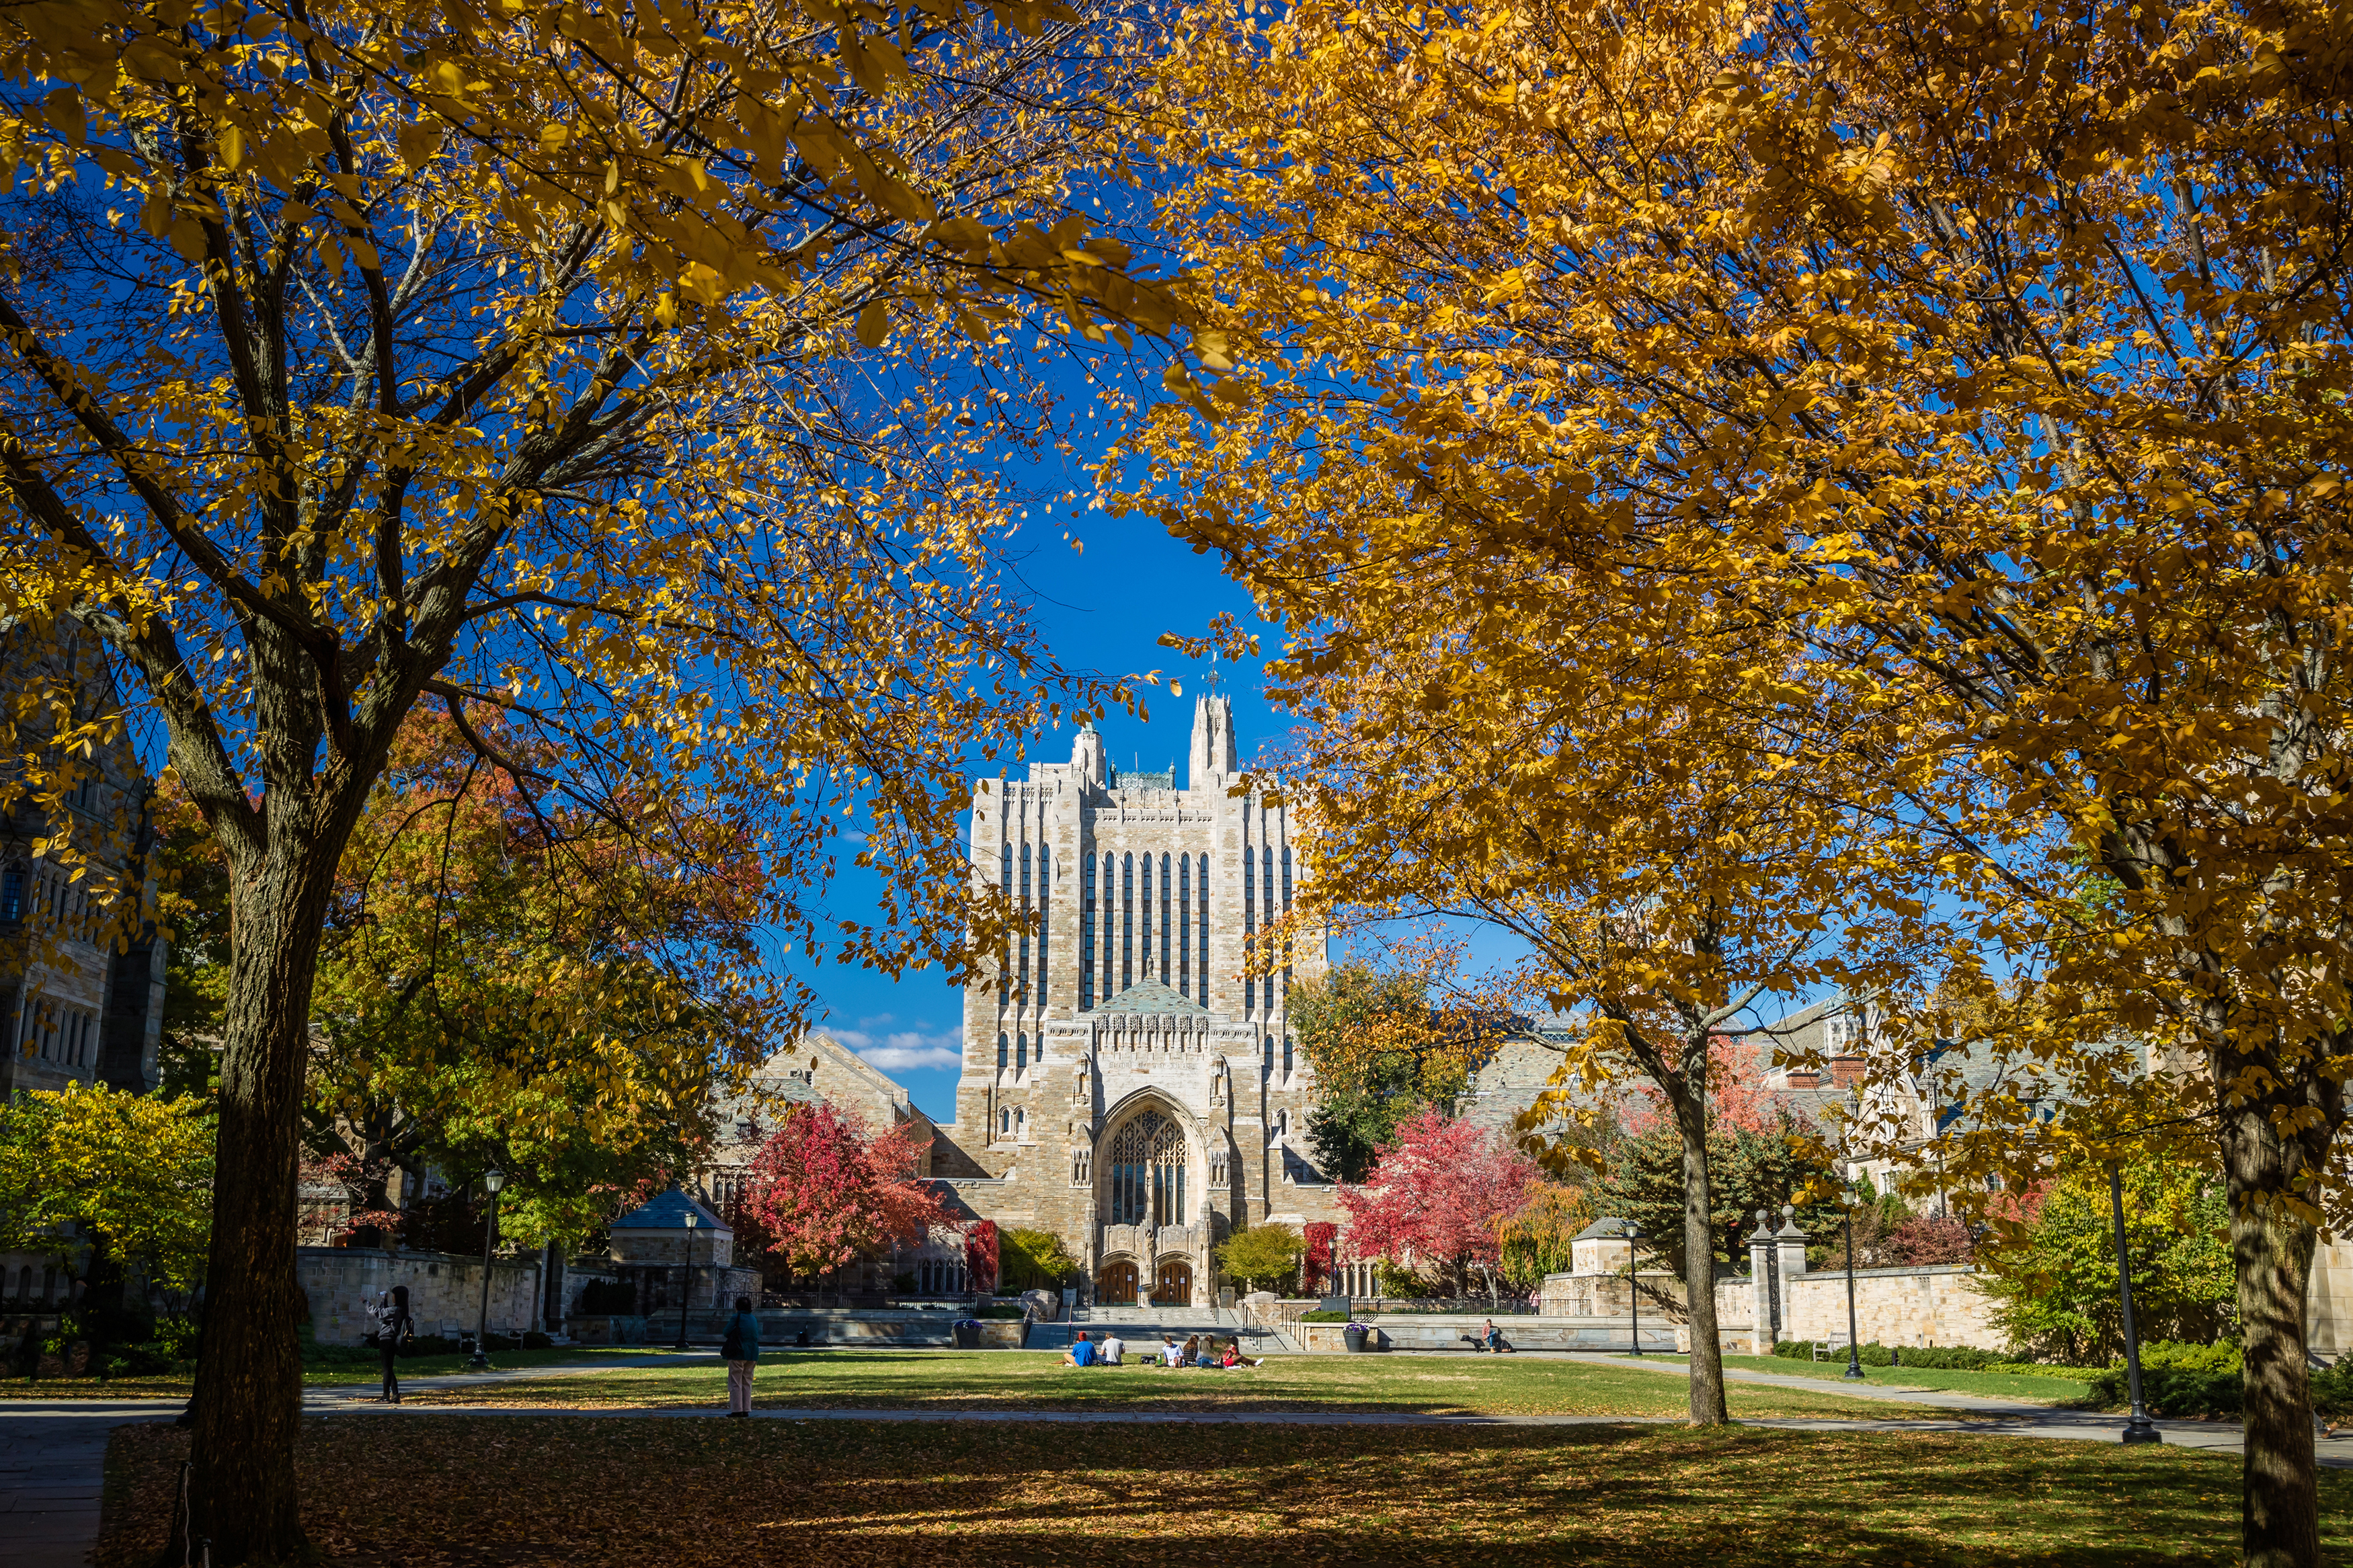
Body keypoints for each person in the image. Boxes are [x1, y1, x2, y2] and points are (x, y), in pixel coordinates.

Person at [369, 1286, 412, 1404]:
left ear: (398, 1297)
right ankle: (395, 1394)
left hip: (387, 1340)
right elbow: (385, 1316)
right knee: (388, 1368)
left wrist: (364, 1302)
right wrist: (385, 1301)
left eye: (394, 1295)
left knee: (387, 1369)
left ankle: (386, 1396)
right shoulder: (401, 1310)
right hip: (392, 1341)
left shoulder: (396, 1310)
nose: (393, 1297)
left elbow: (379, 1313)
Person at [719, 1294, 760, 1417]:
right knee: (747, 1382)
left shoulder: (736, 1317)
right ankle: (746, 1409)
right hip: (752, 1353)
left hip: (737, 1352)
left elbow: (726, 1332)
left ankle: (737, 1410)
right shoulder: (753, 1319)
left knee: (735, 1382)